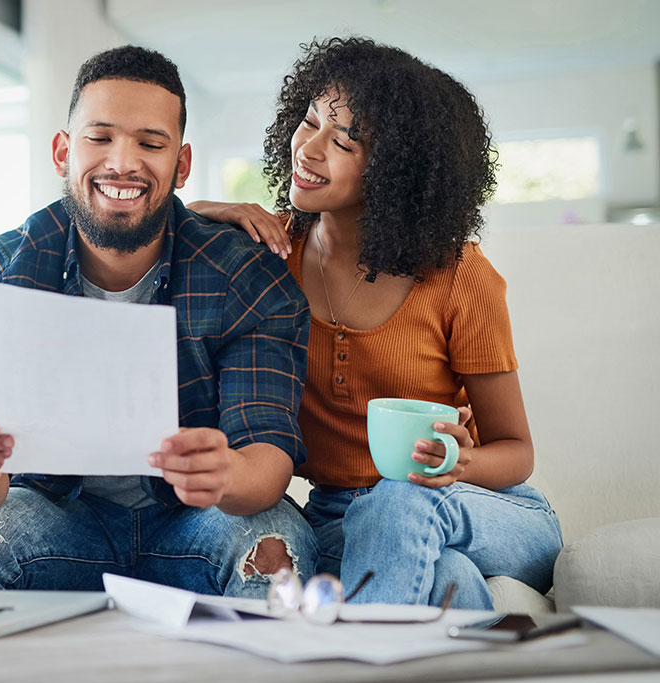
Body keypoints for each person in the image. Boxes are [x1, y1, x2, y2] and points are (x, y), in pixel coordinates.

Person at [189, 37, 562, 609]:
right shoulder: (268, 257)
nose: (309, 149)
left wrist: (462, 461)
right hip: (341, 518)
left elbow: (517, 452)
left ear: (399, 172)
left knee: (400, 497)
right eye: (309, 121)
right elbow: (152, 247)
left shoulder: (460, 277)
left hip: (484, 506)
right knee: (449, 582)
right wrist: (199, 214)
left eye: (343, 140)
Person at [0, 45, 319, 597]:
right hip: (58, 517)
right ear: (62, 152)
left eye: (150, 143)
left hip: (196, 522)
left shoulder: (245, 275)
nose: (122, 162)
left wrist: (226, 475)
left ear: (181, 165)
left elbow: (265, 459)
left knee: (275, 547)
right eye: (100, 138)